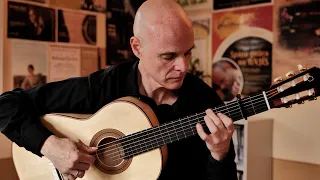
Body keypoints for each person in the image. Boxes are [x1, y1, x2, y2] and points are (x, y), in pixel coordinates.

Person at [0, 0, 237, 180]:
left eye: (187, 52)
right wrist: (50, 146)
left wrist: (220, 153)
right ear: (137, 47)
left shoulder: (205, 102)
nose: (183, 66)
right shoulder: (103, 87)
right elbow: (6, 105)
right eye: (168, 56)